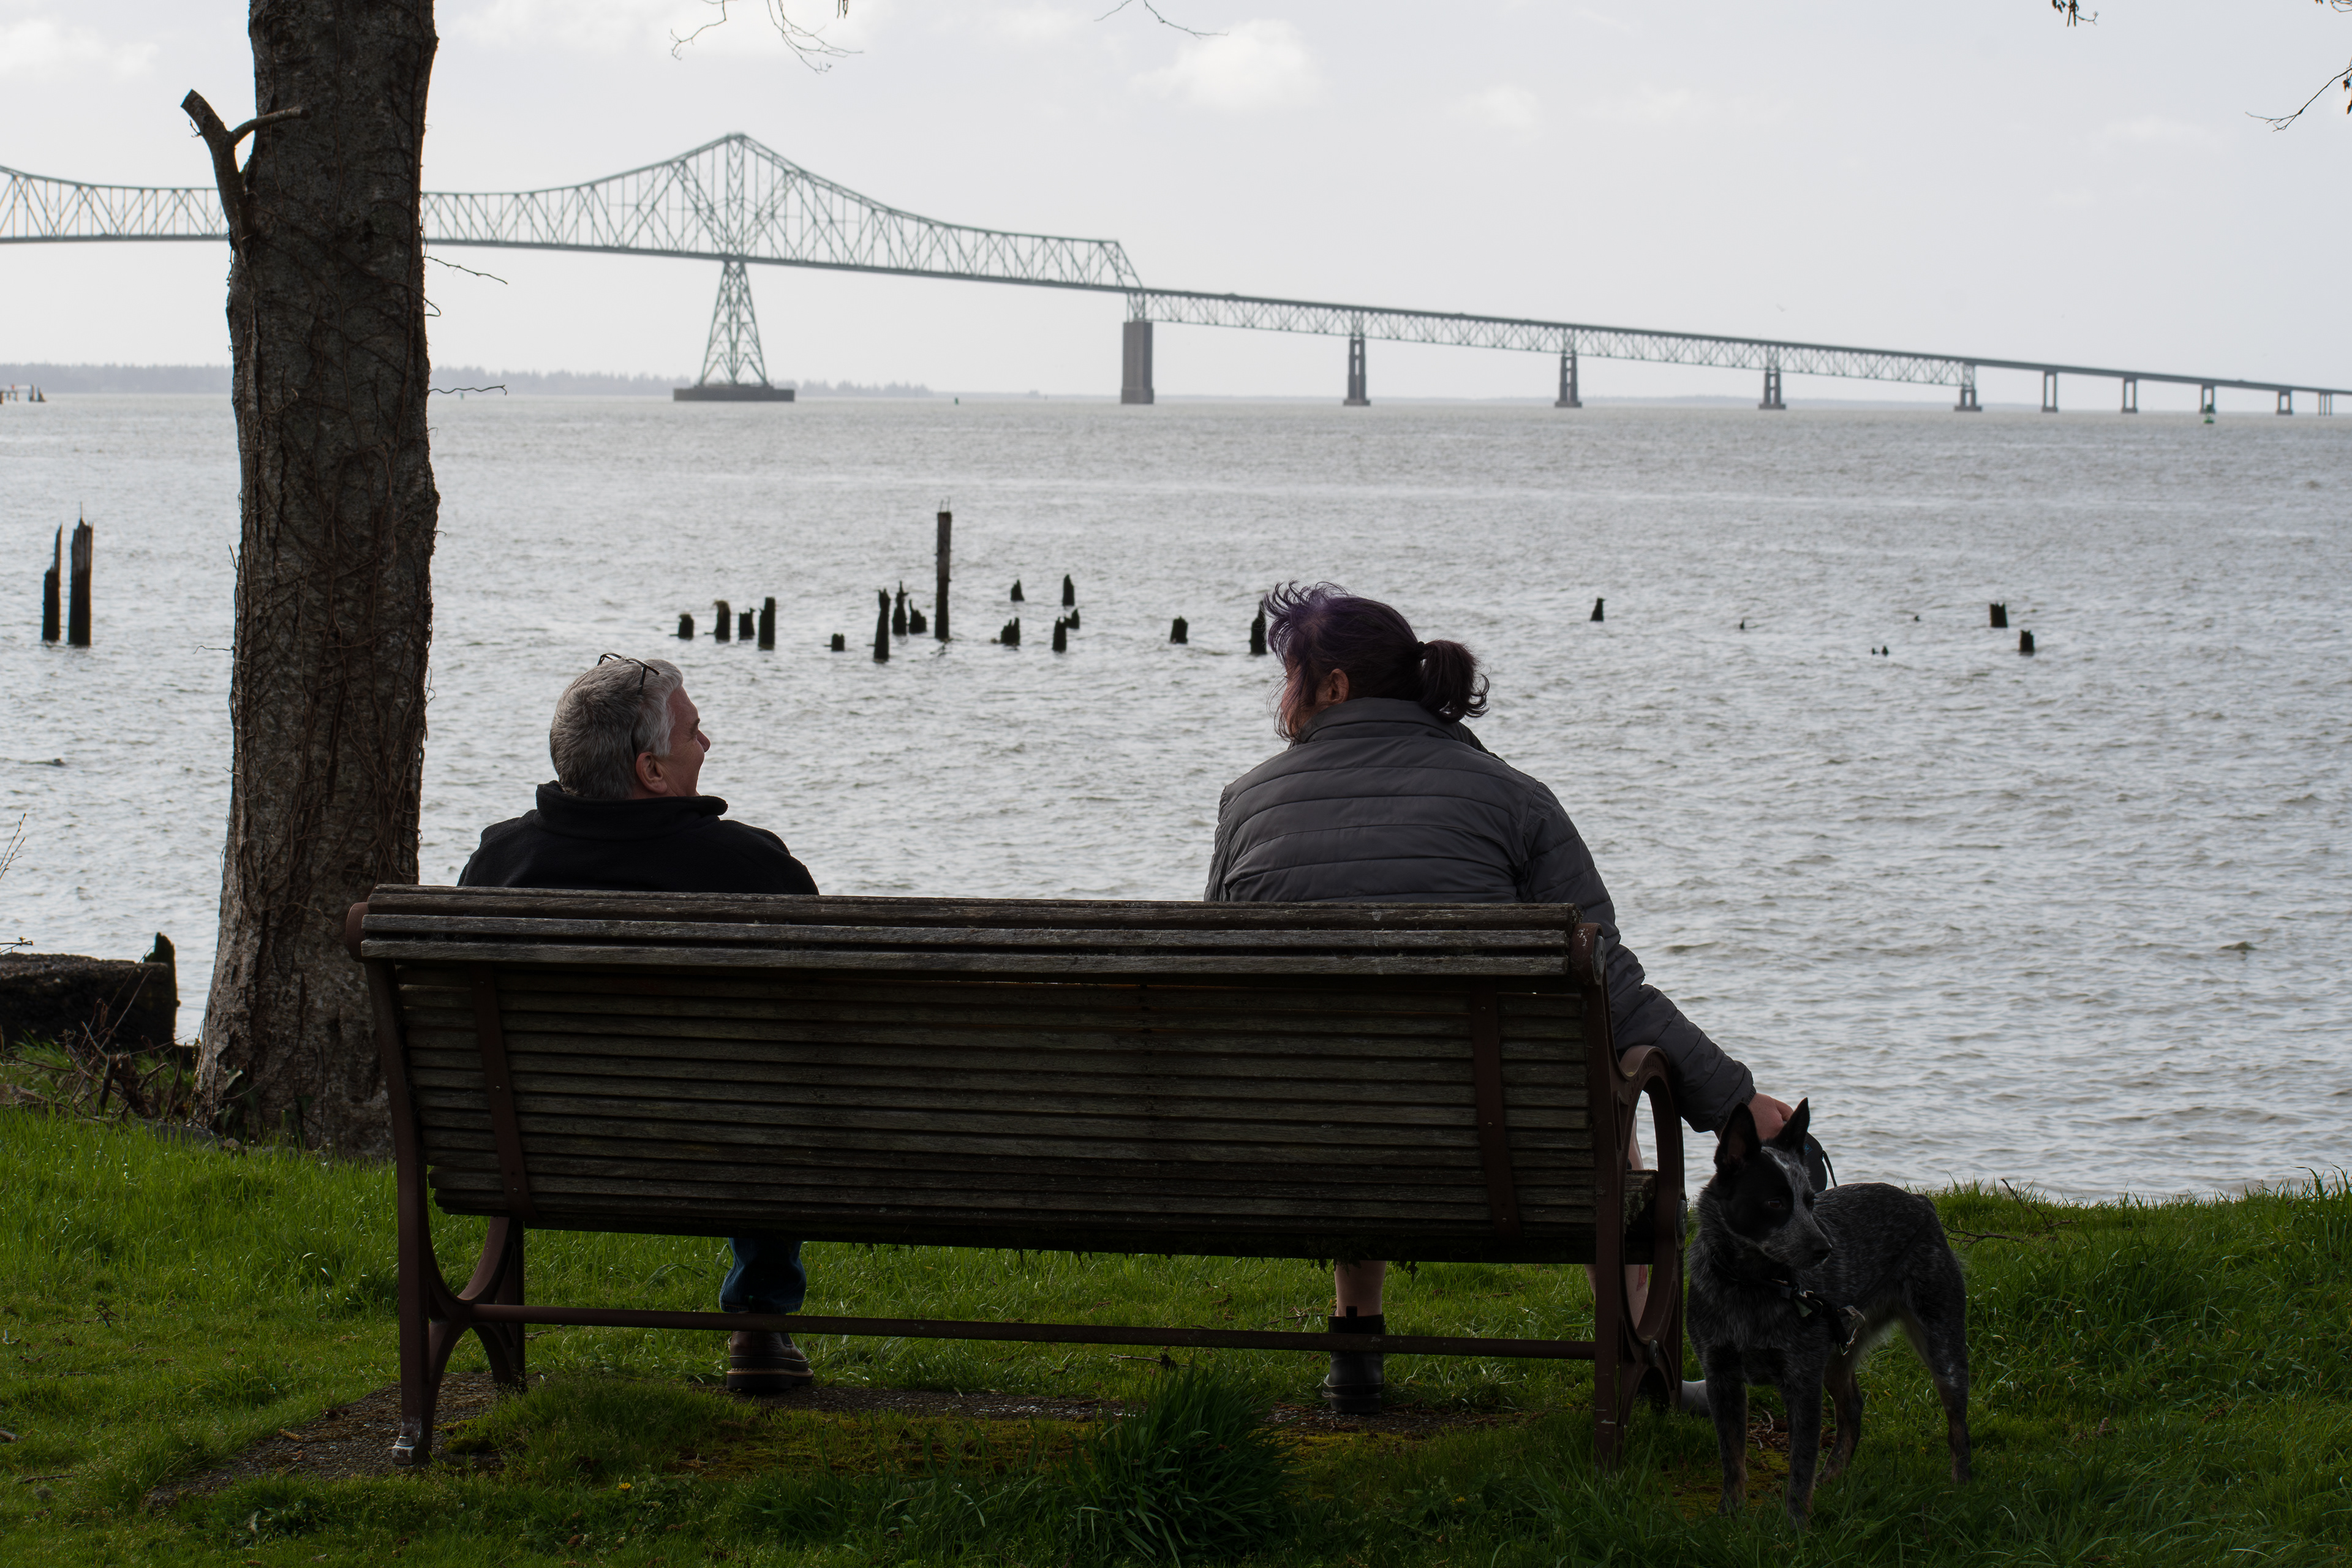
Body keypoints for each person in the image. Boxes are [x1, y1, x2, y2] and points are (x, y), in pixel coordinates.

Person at [1204, 584, 1796, 1415]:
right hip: (1496, 1153)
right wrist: (1731, 1101)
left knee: (1345, 1067)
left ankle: (1356, 1350)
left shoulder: (1246, 804)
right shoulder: (1515, 800)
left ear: (1334, 688)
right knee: (1609, 1100)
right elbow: (1607, 983)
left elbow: (1221, 976)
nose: (1283, 699)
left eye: (1291, 677)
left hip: (1311, 1138)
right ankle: (1635, 1361)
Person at [459, 653, 820, 1395]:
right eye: (694, 731)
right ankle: (757, 1316)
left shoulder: (497, 865)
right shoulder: (751, 868)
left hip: (532, 1153)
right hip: (728, 1150)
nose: (707, 744)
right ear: (652, 771)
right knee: (775, 1082)